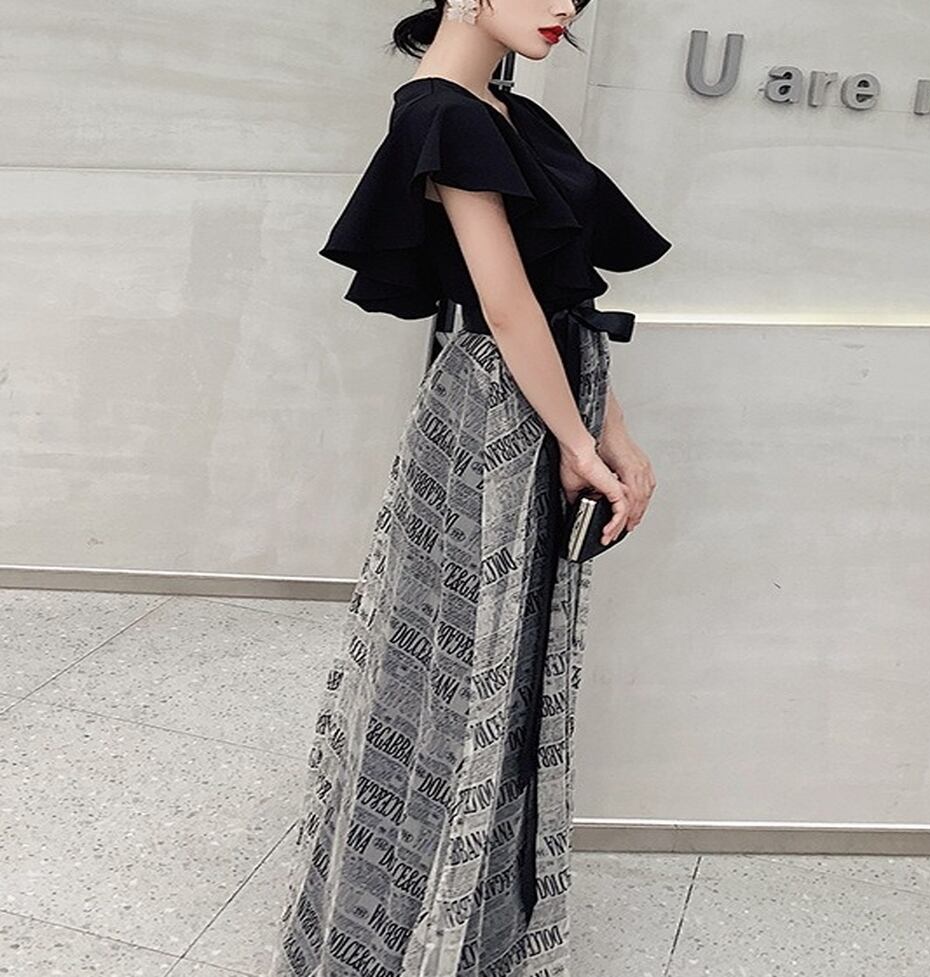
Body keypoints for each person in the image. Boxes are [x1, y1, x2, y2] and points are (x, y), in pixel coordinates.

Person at [267, 1, 672, 974]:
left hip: (548, 392)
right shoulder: (439, 110)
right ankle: (405, 929)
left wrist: (610, 432)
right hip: (492, 408)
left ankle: (483, 926)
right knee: (464, 659)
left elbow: (564, 296)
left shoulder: (505, 111)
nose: (564, 6)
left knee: (514, 657)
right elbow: (502, 302)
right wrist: (576, 439)